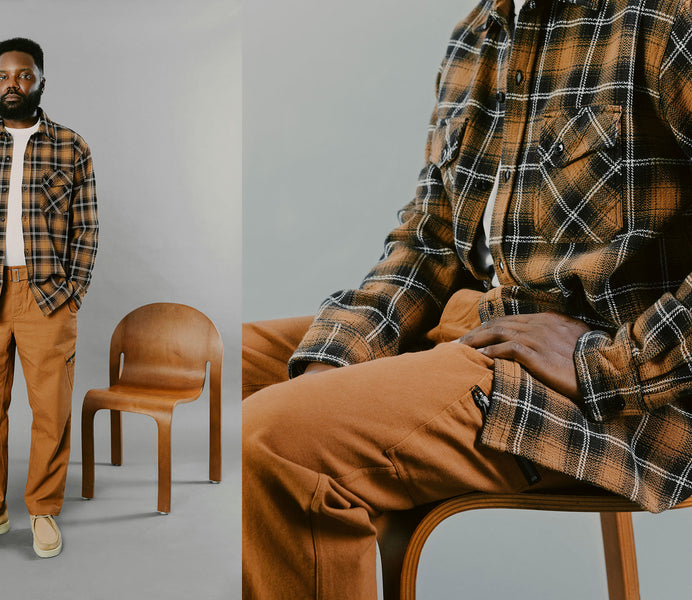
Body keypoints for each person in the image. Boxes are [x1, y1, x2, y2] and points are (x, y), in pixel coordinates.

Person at [243, 0, 692, 597]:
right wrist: (339, 355)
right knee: (237, 368)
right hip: (487, 324)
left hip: (636, 394)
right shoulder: (478, 34)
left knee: (279, 442)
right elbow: (430, 237)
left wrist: (612, 363)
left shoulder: (664, 17)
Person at [0, 37, 98, 558]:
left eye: (24, 75)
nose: (14, 84)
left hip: (47, 296)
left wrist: (72, 291)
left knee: (50, 408)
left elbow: (87, 227)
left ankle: (43, 510)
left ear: (41, 81)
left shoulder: (71, 146)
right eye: (4, 75)